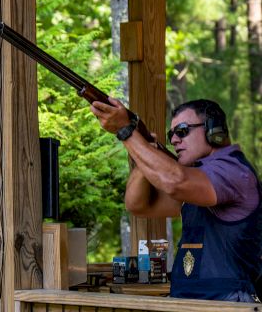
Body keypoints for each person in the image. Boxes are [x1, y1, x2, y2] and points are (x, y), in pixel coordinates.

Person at [90, 97, 261, 302]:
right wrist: (146, 151)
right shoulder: (198, 179)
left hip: (228, 304)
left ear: (213, 129)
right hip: (188, 301)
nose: (174, 141)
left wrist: (126, 131)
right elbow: (138, 205)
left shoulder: (233, 171)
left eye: (182, 131)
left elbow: (174, 181)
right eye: (172, 134)